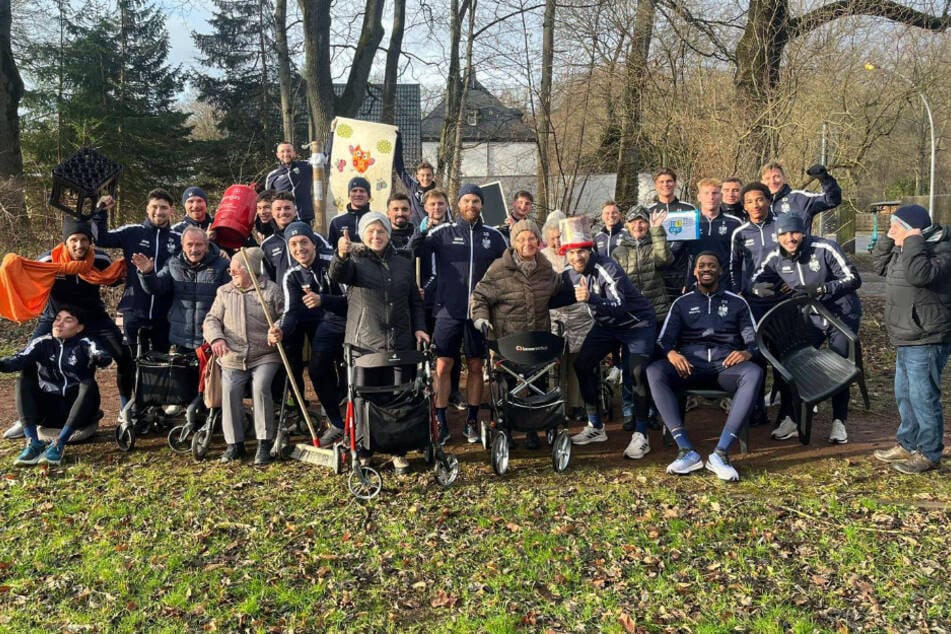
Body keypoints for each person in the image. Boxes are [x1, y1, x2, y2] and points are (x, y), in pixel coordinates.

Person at [1, 217, 130, 439]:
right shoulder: (48, 259)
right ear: (65, 242)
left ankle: (126, 410)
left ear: (91, 241)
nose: (80, 245)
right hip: (55, 318)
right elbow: (27, 276)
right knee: (30, 359)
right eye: (74, 240)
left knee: (124, 356)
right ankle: (25, 419)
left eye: (84, 240)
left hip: (93, 317)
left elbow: (111, 277)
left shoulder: (99, 258)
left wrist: (126, 273)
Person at [646, 252, 762, 481]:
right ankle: (686, 451)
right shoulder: (682, 303)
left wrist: (747, 352)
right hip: (690, 367)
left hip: (725, 368)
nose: (706, 269)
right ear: (695, 272)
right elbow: (663, 341)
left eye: (712, 265)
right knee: (654, 370)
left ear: (719, 271)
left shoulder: (737, 302)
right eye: (702, 266)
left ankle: (720, 453)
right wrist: (671, 354)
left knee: (754, 372)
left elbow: (754, 340)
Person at [327, 212, 429, 474]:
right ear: (363, 234)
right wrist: (341, 254)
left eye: (380, 231)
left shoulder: (403, 262)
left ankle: (398, 450)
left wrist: (420, 329)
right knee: (365, 399)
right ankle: (364, 450)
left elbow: (414, 302)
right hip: (364, 343)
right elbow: (337, 275)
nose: (376, 236)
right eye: (371, 231)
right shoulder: (355, 261)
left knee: (399, 396)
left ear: (387, 233)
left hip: (400, 341)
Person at [752, 213, 862, 444]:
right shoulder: (775, 254)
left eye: (794, 233)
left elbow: (853, 278)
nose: (789, 238)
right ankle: (792, 418)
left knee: (839, 366)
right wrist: (758, 288)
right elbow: (756, 278)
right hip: (807, 318)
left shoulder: (825, 247)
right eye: (783, 234)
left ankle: (839, 422)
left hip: (840, 314)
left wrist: (821, 289)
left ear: (803, 232)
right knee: (793, 363)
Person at [556, 216, 657, 451]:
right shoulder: (569, 273)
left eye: (581, 251)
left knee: (638, 372)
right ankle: (595, 427)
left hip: (636, 324)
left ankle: (641, 435)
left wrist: (592, 298)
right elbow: (556, 296)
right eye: (571, 253)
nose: (577, 257)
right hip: (606, 325)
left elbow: (619, 304)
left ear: (590, 250)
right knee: (582, 364)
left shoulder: (607, 267)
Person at [470, 218, 566, 449]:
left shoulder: (546, 270)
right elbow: (480, 296)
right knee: (508, 385)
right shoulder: (498, 268)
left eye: (532, 237)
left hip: (537, 341)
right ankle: (506, 428)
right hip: (508, 341)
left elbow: (562, 291)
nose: (527, 242)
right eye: (521, 238)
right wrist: (480, 318)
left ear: (538, 241)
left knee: (538, 383)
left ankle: (534, 428)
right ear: (513, 242)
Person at [422, 184, 507, 444]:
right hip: (448, 310)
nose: (471, 205)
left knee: (475, 365)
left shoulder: (493, 236)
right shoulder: (442, 232)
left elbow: (507, 268)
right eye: (466, 201)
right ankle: (440, 419)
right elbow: (417, 251)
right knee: (443, 365)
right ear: (458, 204)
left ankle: (471, 420)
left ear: (482, 205)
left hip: (479, 311)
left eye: (476, 201)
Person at [871, 204, 951, 474]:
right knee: (905, 394)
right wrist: (891, 236)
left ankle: (929, 452)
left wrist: (913, 239)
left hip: (927, 336)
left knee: (923, 396)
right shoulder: (903, 247)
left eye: (896, 225)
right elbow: (879, 265)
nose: (890, 229)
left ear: (913, 231)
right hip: (905, 334)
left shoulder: (941, 249)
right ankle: (907, 443)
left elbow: (920, 275)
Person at [1, 306, 112, 466]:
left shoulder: (85, 343)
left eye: (68, 320)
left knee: (88, 384)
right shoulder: (42, 342)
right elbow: (18, 359)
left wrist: (100, 358)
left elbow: (101, 355)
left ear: (79, 327)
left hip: (77, 410)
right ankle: (33, 443)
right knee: (23, 380)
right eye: (58, 319)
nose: (59, 324)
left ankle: (58, 444)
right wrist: (3, 363)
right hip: (49, 412)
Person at [270, 221, 347, 448]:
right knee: (317, 369)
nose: (299, 248)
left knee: (350, 373)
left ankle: (363, 422)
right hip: (325, 327)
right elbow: (291, 311)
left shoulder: (332, 263)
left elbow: (350, 301)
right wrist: (280, 329)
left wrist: (323, 300)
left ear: (314, 244)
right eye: (293, 244)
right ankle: (336, 423)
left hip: (348, 322)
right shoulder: (292, 275)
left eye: (304, 242)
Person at [203, 247, 284, 465]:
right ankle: (234, 444)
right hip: (233, 355)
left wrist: (277, 328)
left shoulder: (270, 290)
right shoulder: (224, 292)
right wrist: (216, 338)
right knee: (229, 390)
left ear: (250, 270)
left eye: (235, 271)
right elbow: (211, 320)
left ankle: (264, 442)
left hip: (265, 353)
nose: (231, 274)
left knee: (260, 388)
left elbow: (285, 316)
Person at [93, 189, 181, 356]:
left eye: (163, 207)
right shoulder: (133, 232)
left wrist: (216, 250)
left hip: (164, 314)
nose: (158, 212)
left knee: (159, 364)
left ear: (171, 210)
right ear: (147, 208)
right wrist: (101, 210)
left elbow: (197, 253)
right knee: (129, 362)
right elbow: (101, 239)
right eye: (154, 207)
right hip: (134, 309)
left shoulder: (178, 239)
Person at [611, 204, 672, 440]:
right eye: (634, 221)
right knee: (630, 367)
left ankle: (655, 410)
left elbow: (664, 258)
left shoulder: (654, 244)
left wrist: (657, 231)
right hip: (631, 319)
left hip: (656, 314)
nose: (638, 225)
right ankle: (630, 410)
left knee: (654, 366)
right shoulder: (619, 251)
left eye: (643, 221)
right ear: (627, 225)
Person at [134, 226, 230, 353]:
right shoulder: (173, 263)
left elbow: (231, 299)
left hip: (212, 339)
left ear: (207, 245)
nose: (194, 250)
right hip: (181, 338)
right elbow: (157, 288)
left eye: (199, 245)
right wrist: (147, 274)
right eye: (189, 244)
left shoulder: (222, 264)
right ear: (182, 245)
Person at [542, 211, 592, 422]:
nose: (555, 241)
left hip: (580, 314)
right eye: (552, 237)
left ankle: (577, 404)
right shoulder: (543, 258)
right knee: (556, 361)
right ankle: (557, 404)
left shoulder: (577, 254)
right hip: (555, 316)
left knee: (577, 359)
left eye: (559, 237)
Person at [417, 188, 464, 410]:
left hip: (447, 300)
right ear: (425, 207)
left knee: (450, 350)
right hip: (426, 299)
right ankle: (426, 389)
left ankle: (453, 391)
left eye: (441, 204)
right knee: (425, 347)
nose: (437, 208)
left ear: (447, 206)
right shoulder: (420, 230)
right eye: (432, 204)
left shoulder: (455, 231)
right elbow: (413, 254)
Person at [650, 168, 696, 300]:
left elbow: (694, 247)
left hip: (682, 276)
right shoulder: (649, 211)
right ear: (656, 185)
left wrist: (690, 278)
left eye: (669, 181)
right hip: (658, 277)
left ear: (675, 184)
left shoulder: (689, 209)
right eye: (662, 182)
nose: (666, 185)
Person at [687, 178, 742, 289]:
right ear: (699, 197)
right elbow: (682, 256)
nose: (711, 197)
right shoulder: (689, 221)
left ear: (721, 196)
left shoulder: (734, 223)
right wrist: (686, 282)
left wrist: (739, 284)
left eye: (715, 193)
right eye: (706, 193)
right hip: (696, 285)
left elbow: (741, 257)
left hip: (726, 285)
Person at [760, 161, 841, 235]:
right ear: (762, 182)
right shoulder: (755, 205)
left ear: (784, 178)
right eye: (767, 178)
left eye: (776, 176)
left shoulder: (800, 198)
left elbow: (832, 200)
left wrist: (825, 179)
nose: (772, 181)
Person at [265, 142, 314, 225]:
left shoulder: (306, 165)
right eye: (282, 152)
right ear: (277, 155)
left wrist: (332, 133)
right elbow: (268, 201)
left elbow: (326, 156)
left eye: (288, 151)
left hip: (304, 218)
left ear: (294, 153)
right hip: (284, 219)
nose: (286, 154)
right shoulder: (272, 175)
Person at [328, 177, 372, 246]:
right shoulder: (336, 222)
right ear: (349, 195)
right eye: (354, 191)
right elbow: (331, 250)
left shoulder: (376, 220)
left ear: (369, 196)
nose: (358, 194)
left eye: (362, 191)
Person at [386, 192, 419, 256]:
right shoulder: (382, 237)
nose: (400, 213)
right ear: (388, 213)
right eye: (396, 210)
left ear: (410, 212)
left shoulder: (418, 236)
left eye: (405, 209)